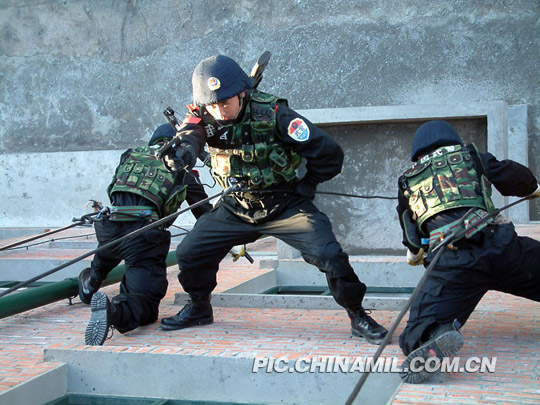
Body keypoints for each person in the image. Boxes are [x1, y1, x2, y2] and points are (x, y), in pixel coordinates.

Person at [158, 54, 388, 345]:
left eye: (225, 102)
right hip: (236, 206)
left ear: (242, 93)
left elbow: (329, 152)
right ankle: (199, 306)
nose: (219, 111)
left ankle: (357, 315)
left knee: (330, 255)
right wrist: (183, 151)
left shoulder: (276, 114)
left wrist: (308, 185)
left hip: (284, 204)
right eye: (212, 105)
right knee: (190, 252)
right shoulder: (203, 114)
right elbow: (191, 133)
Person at [396, 120, 540, 383]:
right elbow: (514, 176)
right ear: (453, 141)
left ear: (417, 153)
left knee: (415, 331)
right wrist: (532, 189)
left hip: (454, 264)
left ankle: (434, 336)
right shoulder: (472, 156)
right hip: (502, 248)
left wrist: (414, 253)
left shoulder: (408, 181)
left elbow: (410, 230)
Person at [78, 124, 210, 346]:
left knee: (106, 255)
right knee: (145, 304)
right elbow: (205, 215)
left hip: (109, 227)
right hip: (143, 237)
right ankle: (114, 311)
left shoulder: (130, 155)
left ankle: (90, 283)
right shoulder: (182, 168)